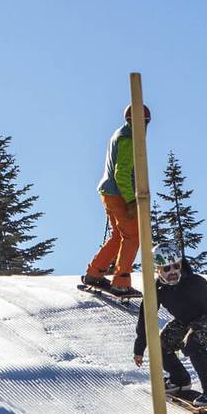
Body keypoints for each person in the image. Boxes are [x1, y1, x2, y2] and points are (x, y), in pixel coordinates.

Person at [133, 243, 207, 408]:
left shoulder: (195, 283)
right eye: (166, 268)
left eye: (176, 266)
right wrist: (139, 348)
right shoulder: (156, 289)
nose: (172, 272)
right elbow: (146, 318)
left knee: (192, 344)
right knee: (159, 344)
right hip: (184, 321)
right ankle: (179, 379)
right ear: (157, 270)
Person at [82, 105, 151, 297]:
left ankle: (94, 273)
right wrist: (130, 201)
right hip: (119, 194)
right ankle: (121, 282)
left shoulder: (120, 134)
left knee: (118, 236)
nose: (144, 127)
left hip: (109, 192)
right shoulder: (129, 139)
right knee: (133, 236)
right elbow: (122, 174)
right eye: (144, 123)